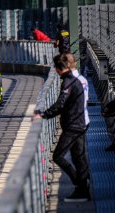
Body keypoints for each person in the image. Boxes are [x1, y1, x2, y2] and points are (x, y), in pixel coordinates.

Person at [34, 54, 90, 202]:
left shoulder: (68, 81)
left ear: (59, 69)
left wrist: (43, 114)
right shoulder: (79, 79)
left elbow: (60, 104)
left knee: (58, 156)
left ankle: (80, 184)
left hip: (73, 125)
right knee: (79, 157)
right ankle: (83, 190)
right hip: (82, 122)